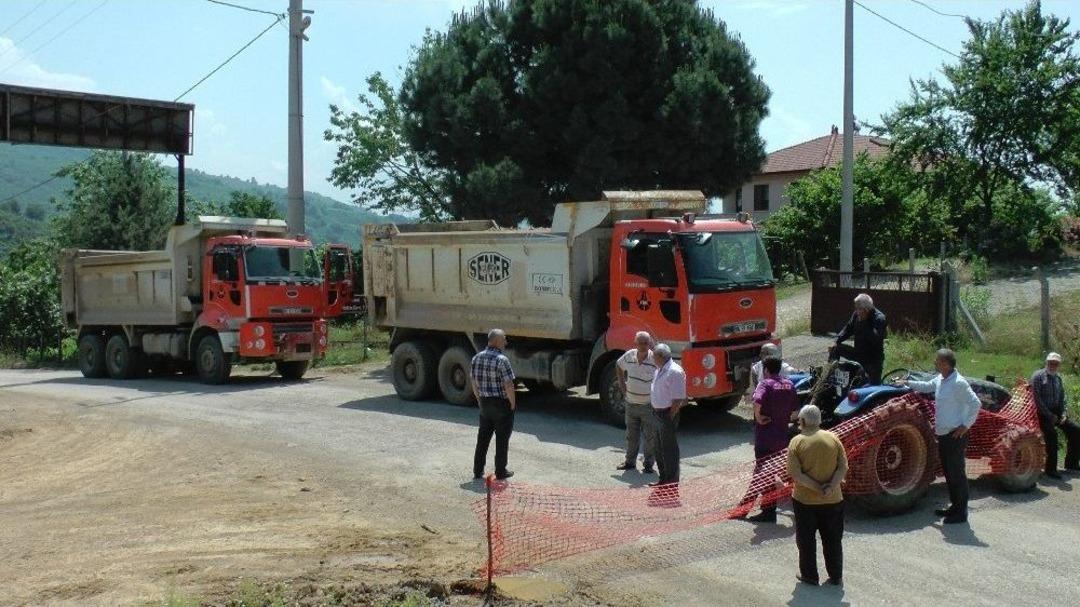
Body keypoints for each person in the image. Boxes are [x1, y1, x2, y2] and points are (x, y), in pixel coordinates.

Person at [899, 348, 981, 524]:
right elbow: (927, 386)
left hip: (955, 436)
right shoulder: (942, 378)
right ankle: (954, 507)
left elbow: (975, 403)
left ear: (945, 363)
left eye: (937, 361)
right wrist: (907, 382)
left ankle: (961, 512)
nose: (935, 363)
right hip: (943, 434)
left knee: (957, 474)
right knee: (949, 472)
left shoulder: (959, 383)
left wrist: (965, 426)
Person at [787, 404, 848, 586]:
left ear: (803, 421)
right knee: (833, 540)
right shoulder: (833, 438)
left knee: (806, 540)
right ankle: (836, 576)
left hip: (805, 501)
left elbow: (796, 474)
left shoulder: (796, 442)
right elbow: (843, 467)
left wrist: (816, 487)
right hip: (834, 499)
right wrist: (830, 487)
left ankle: (810, 576)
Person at [738, 356, 799, 523]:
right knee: (772, 473)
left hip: (765, 437)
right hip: (781, 438)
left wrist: (758, 417)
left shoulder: (765, 384)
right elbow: (795, 412)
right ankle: (752, 509)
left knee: (762, 475)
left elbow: (757, 401)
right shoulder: (789, 384)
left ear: (765, 370)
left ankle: (765, 511)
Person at [471, 329, 517, 481]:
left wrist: (479, 400)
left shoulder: (476, 358)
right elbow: (508, 385)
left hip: (485, 403)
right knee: (502, 440)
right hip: (501, 404)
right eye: (504, 339)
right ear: (496, 341)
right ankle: (500, 471)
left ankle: (478, 471)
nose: (506, 342)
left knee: (483, 438)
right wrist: (512, 403)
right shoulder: (502, 360)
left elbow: (474, 382)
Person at [1030, 352, 1080, 478]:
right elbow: (1036, 399)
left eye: (1055, 363)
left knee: (1075, 430)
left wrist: (1063, 414)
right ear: (1046, 362)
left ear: (1058, 365)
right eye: (1050, 362)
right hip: (1040, 414)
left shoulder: (1058, 378)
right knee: (1052, 435)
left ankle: (1071, 463)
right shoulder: (1038, 376)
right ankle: (1050, 469)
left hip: (1056, 412)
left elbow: (1062, 397)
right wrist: (1049, 415)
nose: (1053, 365)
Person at [616, 331, 657, 473]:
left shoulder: (654, 359)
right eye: (640, 343)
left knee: (649, 438)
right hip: (631, 404)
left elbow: (664, 377)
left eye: (646, 343)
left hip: (648, 406)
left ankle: (648, 465)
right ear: (636, 343)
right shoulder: (630, 355)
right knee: (631, 436)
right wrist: (622, 386)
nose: (643, 346)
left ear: (650, 344)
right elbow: (618, 365)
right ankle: (630, 462)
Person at [649, 343, 686, 487]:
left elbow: (678, 399)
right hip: (657, 413)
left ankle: (671, 483)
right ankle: (663, 479)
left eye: (654, 356)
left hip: (667, 414)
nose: (652, 359)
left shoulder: (674, 371)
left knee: (669, 450)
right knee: (658, 448)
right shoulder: (659, 369)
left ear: (660, 356)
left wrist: (669, 416)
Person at [831, 293, 887, 385]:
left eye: (859, 309)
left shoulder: (879, 318)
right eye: (856, 308)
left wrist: (864, 322)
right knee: (835, 348)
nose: (856, 311)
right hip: (858, 353)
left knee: (871, 387)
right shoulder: (857, 315)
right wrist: (836, 340)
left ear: (867, 309)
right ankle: (831, 375)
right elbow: (848, 329)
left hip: (872, 360)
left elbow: (875, 340)